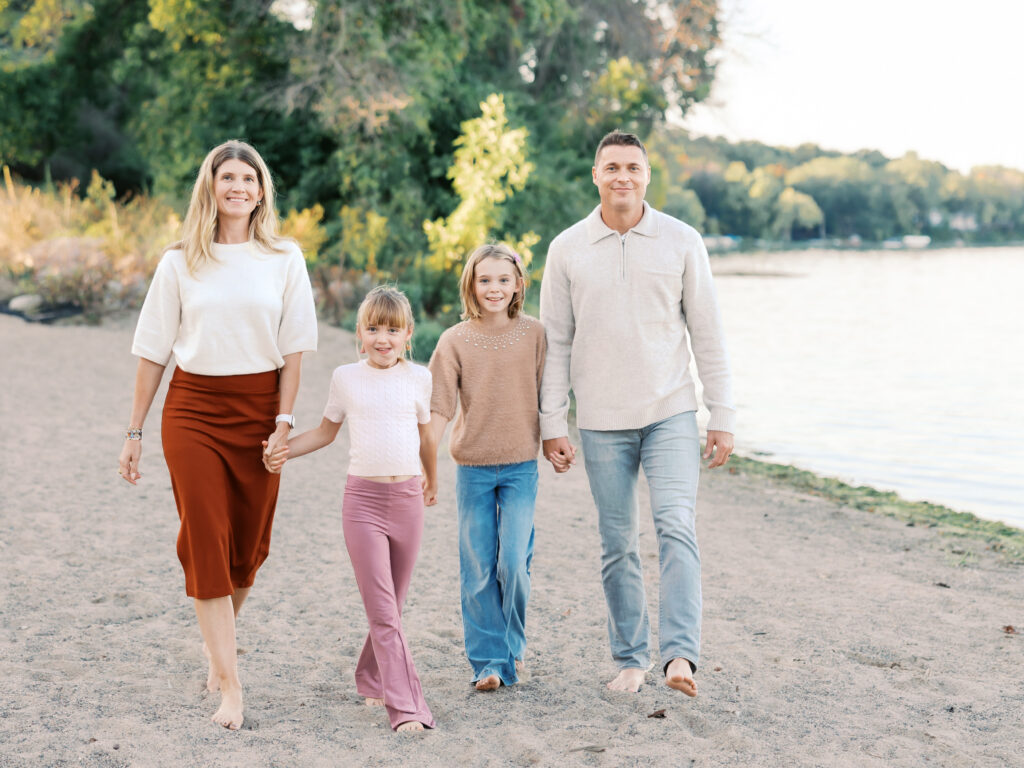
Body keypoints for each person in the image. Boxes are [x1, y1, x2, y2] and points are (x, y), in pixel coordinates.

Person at [117, 140, 318, 730]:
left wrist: (283, 423)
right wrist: (134, 430)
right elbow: (153, 352)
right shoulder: (179, 261)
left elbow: (294, 353)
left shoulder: (284, 257)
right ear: (210, 186)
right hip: (194, 411)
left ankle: (217, 647)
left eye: (247, 178)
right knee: (205, 536)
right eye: (226, 176)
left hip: (259, 412)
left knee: (248, 548)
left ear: (261, 191)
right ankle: (228, 684)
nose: (237, 186)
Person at [538, 130, 735, 697]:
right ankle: (630, 658)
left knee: (676, 525)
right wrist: (553, 423)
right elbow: (556, 343)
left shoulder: (681, 240)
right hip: (600, 420)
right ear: (595, 175)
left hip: (670, 410)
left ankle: (679, 657)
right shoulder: (568, 248)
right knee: (617, 540)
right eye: (612, 167)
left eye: (633, 167)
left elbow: (708, 332)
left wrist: (722, 411)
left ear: (647, 175)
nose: (622, 176)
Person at [264, 286, 437, 733]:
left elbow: (427, 438)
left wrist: (432, 479)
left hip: (407, 503)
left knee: (392, 607)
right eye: (373, 328)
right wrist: (282, 451)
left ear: (408, 334)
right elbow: (324, 432)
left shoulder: (419, 377)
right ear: (359, 333)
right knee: (382, 610)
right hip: (362, 504)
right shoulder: (346, 377)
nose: (383, 338)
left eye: (393, 330)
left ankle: (370, 677)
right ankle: (406, 709)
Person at [427, 243, 546, 692]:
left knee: (513, 562)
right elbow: (439, 409)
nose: (493, 288)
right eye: (484, 280)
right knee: (478, 567)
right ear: (470, 285)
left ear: (517, 283)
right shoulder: (454, 341)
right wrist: (427, 465)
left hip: (520, 468)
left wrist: (557, 439)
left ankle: (511, 645)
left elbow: (550, 395)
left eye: (502, 279)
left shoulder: (535, 334)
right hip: (473, 469)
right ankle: (488, 663)